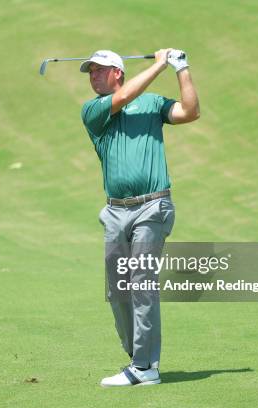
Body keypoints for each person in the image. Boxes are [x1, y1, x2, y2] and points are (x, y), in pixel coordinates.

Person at [80, 48, 200, 387]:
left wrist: (181, 68)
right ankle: (139, 359)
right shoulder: (93, 110)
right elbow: (127, 95)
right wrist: (160, 62)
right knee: (119, 290)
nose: (93, 76)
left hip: (152, 207)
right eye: (91, 72)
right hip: (115, 212)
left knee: (141, 282)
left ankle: (146, 366)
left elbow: (190, 111)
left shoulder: (150, 104)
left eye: (100, 70)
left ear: (117, 71)